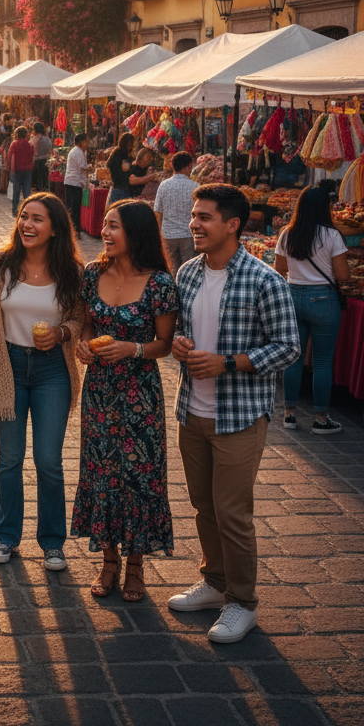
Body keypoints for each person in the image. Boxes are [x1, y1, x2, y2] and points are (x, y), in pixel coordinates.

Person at [169, 185, 299, 643]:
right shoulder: (187, 272)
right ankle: (215, 581)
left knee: (232, 512)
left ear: (232, 225)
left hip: (239, 415)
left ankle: (242, 602)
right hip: (192, 410)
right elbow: (180, 330)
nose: (194, 224)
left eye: (204, 217)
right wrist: (179, 344)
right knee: (203, 505)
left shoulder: (265, 279)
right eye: (194, 215)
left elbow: (288, 348)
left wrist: (229, 363)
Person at [72, 199, 179, 603]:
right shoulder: (93, 273)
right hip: (99, 390)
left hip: (140, 394)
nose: (104, 232)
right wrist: (85, 344)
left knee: (139, 476)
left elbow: (164, 344)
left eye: (113, 226)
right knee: (101, 473)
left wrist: (132, 349)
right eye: (104, 224)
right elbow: (87, 323)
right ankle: (108, 560)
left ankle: (135, 564)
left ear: (136, 233)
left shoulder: (160, 283)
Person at [0, 193, 84, 569]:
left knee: (49, 460)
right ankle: (6, 537)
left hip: (53, 370)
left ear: (55, 229)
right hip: (9, 366)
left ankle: (52, 542)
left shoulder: (72, 271)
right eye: (24, 216)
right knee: (9, 459)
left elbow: (80, 318)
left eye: (37, 219)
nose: (27, 224)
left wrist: (61, 333)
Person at [273, 187, 348, 435]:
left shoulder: (287, 233)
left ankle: (289, 414)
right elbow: (343, 275)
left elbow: (279, 269)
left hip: (293, 297)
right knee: (322, 362)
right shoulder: (332, 235)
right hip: (323, 300)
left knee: (293, 359)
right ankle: (320, 419)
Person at [154, 151, 197, 275]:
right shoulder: (195, 186)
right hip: (188, 235)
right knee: (188, 270)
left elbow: (158, 212)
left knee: (172, 269)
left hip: (168, 235)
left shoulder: (163, 186)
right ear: (189, 166)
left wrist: (159, 234)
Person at [64, 133, 89, 233]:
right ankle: (75, 230)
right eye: (86, 141)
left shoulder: (77, 151)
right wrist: (91, 167)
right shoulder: (78, 152)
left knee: (72, 207)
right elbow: (84, 167)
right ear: (82, 142)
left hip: (72, 182)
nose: (87, 144)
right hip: (74, 182)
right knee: (74, 208)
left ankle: (73, 229)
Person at [8, 127, 35, 217]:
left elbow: (9, 156)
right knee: (26, 192)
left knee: (16, 191)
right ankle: (27, 210)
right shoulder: (29, 144)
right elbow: (32, 155)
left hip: (16, 170)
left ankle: (15, 210)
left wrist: (9, 168)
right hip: (27, 170)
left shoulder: (14, 144)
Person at [107, 133, 136, 205]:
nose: (133, 146)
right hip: (121, 191)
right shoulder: (122, 156)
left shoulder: (117, 153)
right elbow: (126, 171)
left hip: (117, 189)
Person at [31, 123, 53, 193]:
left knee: (36, 183)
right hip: (45, 161)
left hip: (35, 162)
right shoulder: (47, 139)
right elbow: (50, 149)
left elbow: (32, 151)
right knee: (44, 181)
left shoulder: (34, 139)